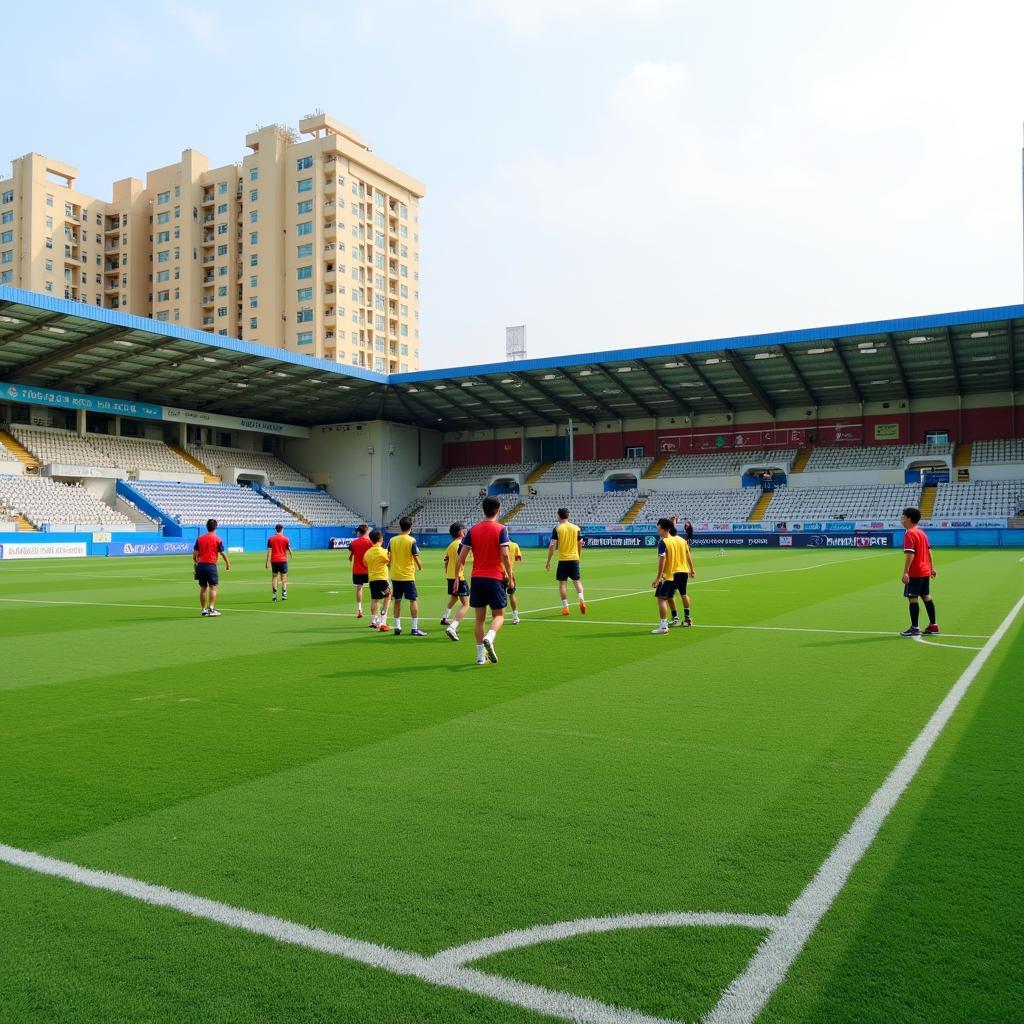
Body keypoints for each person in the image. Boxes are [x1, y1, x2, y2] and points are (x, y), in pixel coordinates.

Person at [453, 496, 515, 664]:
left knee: (479, 619)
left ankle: (480, 656)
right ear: (498, 510)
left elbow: (461, 557)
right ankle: (490, 636)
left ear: (483, 510)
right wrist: (510, 575)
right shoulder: (501, 529)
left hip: (477, 578)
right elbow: (505, 555)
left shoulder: (473, 530)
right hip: (494, 577)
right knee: (499, 615)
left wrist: (457, 577)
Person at [650, 517, 695, 634]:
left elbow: (662, 560)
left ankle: (664, 626)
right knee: (682, 594)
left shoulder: (663, 542)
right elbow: (688, 555)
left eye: (659, 529)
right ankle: (687, 619)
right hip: (683, 571)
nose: (658, 532)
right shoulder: (681, 540)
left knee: (661, 598)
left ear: (665, 530)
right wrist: (692, 569)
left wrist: (658, 577)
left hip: (670, 574)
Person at [899, 506, 938, 637]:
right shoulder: (922, 533)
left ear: (909, 519)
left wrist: (905, 572)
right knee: (926, 596)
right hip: (925, 570)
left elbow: (910, 554)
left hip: (915, 572)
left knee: (912, 598)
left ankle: (914, 628)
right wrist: (932, 567)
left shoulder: (909, 533)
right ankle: (933, 625)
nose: (902, 519)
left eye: (903, 517)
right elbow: (929, 551)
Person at [388, 516, 427, 636]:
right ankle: (414, 628)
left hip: (395, 575)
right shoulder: (411, 540)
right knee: (413, 600)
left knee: (397, 601)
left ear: (400, 526)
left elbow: (388, 557)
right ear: (411, 527)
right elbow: (415, 555)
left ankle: (397, 627)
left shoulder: (392, 540)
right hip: (407, 575)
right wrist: (420, 566)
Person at [545, 507, 586, 616]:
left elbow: (552, 546)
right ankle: (581, 600)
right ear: (568, 516)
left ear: (558, 515)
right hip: (574, 559)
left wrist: (548, 561)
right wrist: (579, 557)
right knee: (577, 581)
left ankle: (565, 607)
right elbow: (580, 544)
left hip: (563, 559)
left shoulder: (557, 528)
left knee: (562, 583)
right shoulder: (576, 528)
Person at [193, 518, 230, 617]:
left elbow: (195, 553)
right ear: (216, 527)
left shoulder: (200, 539)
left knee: (203, 588)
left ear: (207, 527)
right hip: (211, 565)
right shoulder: (217, 539)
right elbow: (222, 553)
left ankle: (203, 610)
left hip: (201, 565)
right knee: (213, 588)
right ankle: (212, 609)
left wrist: (195, 561)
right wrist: (227, 564)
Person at [441, 521, 470, 638]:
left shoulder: (451, 545)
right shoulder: (461, 544)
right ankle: (453, 626)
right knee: (466, 604)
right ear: (460, 531)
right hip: (459, 577)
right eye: (464, 529)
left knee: (454, 597)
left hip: (450, 576)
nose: (465, 531)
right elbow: (462, 560)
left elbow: (446, 561)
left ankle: (444, 618)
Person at [363, 529, 392, 632]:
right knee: (388, 596)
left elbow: (365, 564)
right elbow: (389, 562)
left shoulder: (367, 553)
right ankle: (383, 621)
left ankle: (374, 620)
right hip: (382, 579)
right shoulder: (383, 551)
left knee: (374, 599)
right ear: (380, 539)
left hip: (372, 579)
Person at [347, 524, 372, 618]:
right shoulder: (369, 543)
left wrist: (351, 555)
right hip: (368, 570)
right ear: (366, 531)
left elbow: (351, 551)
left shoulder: (354, 543)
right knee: (374, 589)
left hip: (357, 570)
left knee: (359, 588)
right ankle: (376, 612)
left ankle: (359, 609)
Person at [265, 523, 293, 602]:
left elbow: (269, 550)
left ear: (275, 529)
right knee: (283, 577)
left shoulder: (270, 539)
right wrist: (291, 554)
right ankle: (284, 594)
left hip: (274, 560)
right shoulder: (286, 539)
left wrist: (267, 561)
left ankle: (274, 594)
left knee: (274, 577)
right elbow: (289, 548)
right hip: (283, 560)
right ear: (282, 529)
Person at [505, 536, 524, 624]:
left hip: (497, 574)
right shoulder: (514, 545)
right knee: (511, 595)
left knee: (496, 596)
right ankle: (515, 617)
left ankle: (497, 616)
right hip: (510, 574)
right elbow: (518, 558)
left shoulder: (497, 545)